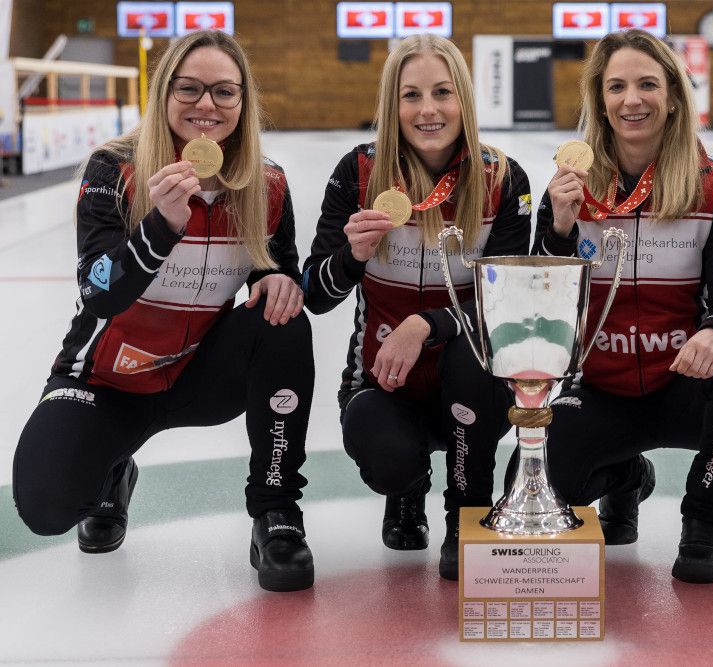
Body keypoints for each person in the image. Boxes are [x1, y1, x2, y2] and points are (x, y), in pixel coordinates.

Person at [12, 30, 316, 593]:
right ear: (164, 95)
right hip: (108, 380)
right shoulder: (113, 169)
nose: (207, 105)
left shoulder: (266, 184)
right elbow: (99, 290)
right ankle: (113, 468)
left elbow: (276, 270)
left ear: (243, 102)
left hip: (199, 375)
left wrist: (275, 279)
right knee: (47, 505)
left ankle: (276, 513)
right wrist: (160, 227)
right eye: (190, 89)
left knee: (284, 315)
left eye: (225, 92)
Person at [534, 29, 713, 584]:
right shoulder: (571, 188)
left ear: (672, 95)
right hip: (600, 389)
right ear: (599, 99)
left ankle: (703, 523)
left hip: (682, 384)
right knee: (548, 488)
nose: (631, 100)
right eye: (616, 86)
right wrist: (561, 228)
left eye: (647, 84)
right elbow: (540, 299)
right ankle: (625, 477)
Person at [301, 34, 531, 580]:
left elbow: (513, 301)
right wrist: (351, 257)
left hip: (472, 378)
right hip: (382, 380)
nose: (428, 110)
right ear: (392, 105)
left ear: (464, 100)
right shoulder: (357, 172)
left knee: (471, 358)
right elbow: (314, 292)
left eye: (442, 93)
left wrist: (426, 324)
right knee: (389, 458)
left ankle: (465, 513)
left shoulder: (503, 178)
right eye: (411, 96)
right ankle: (405, 491)